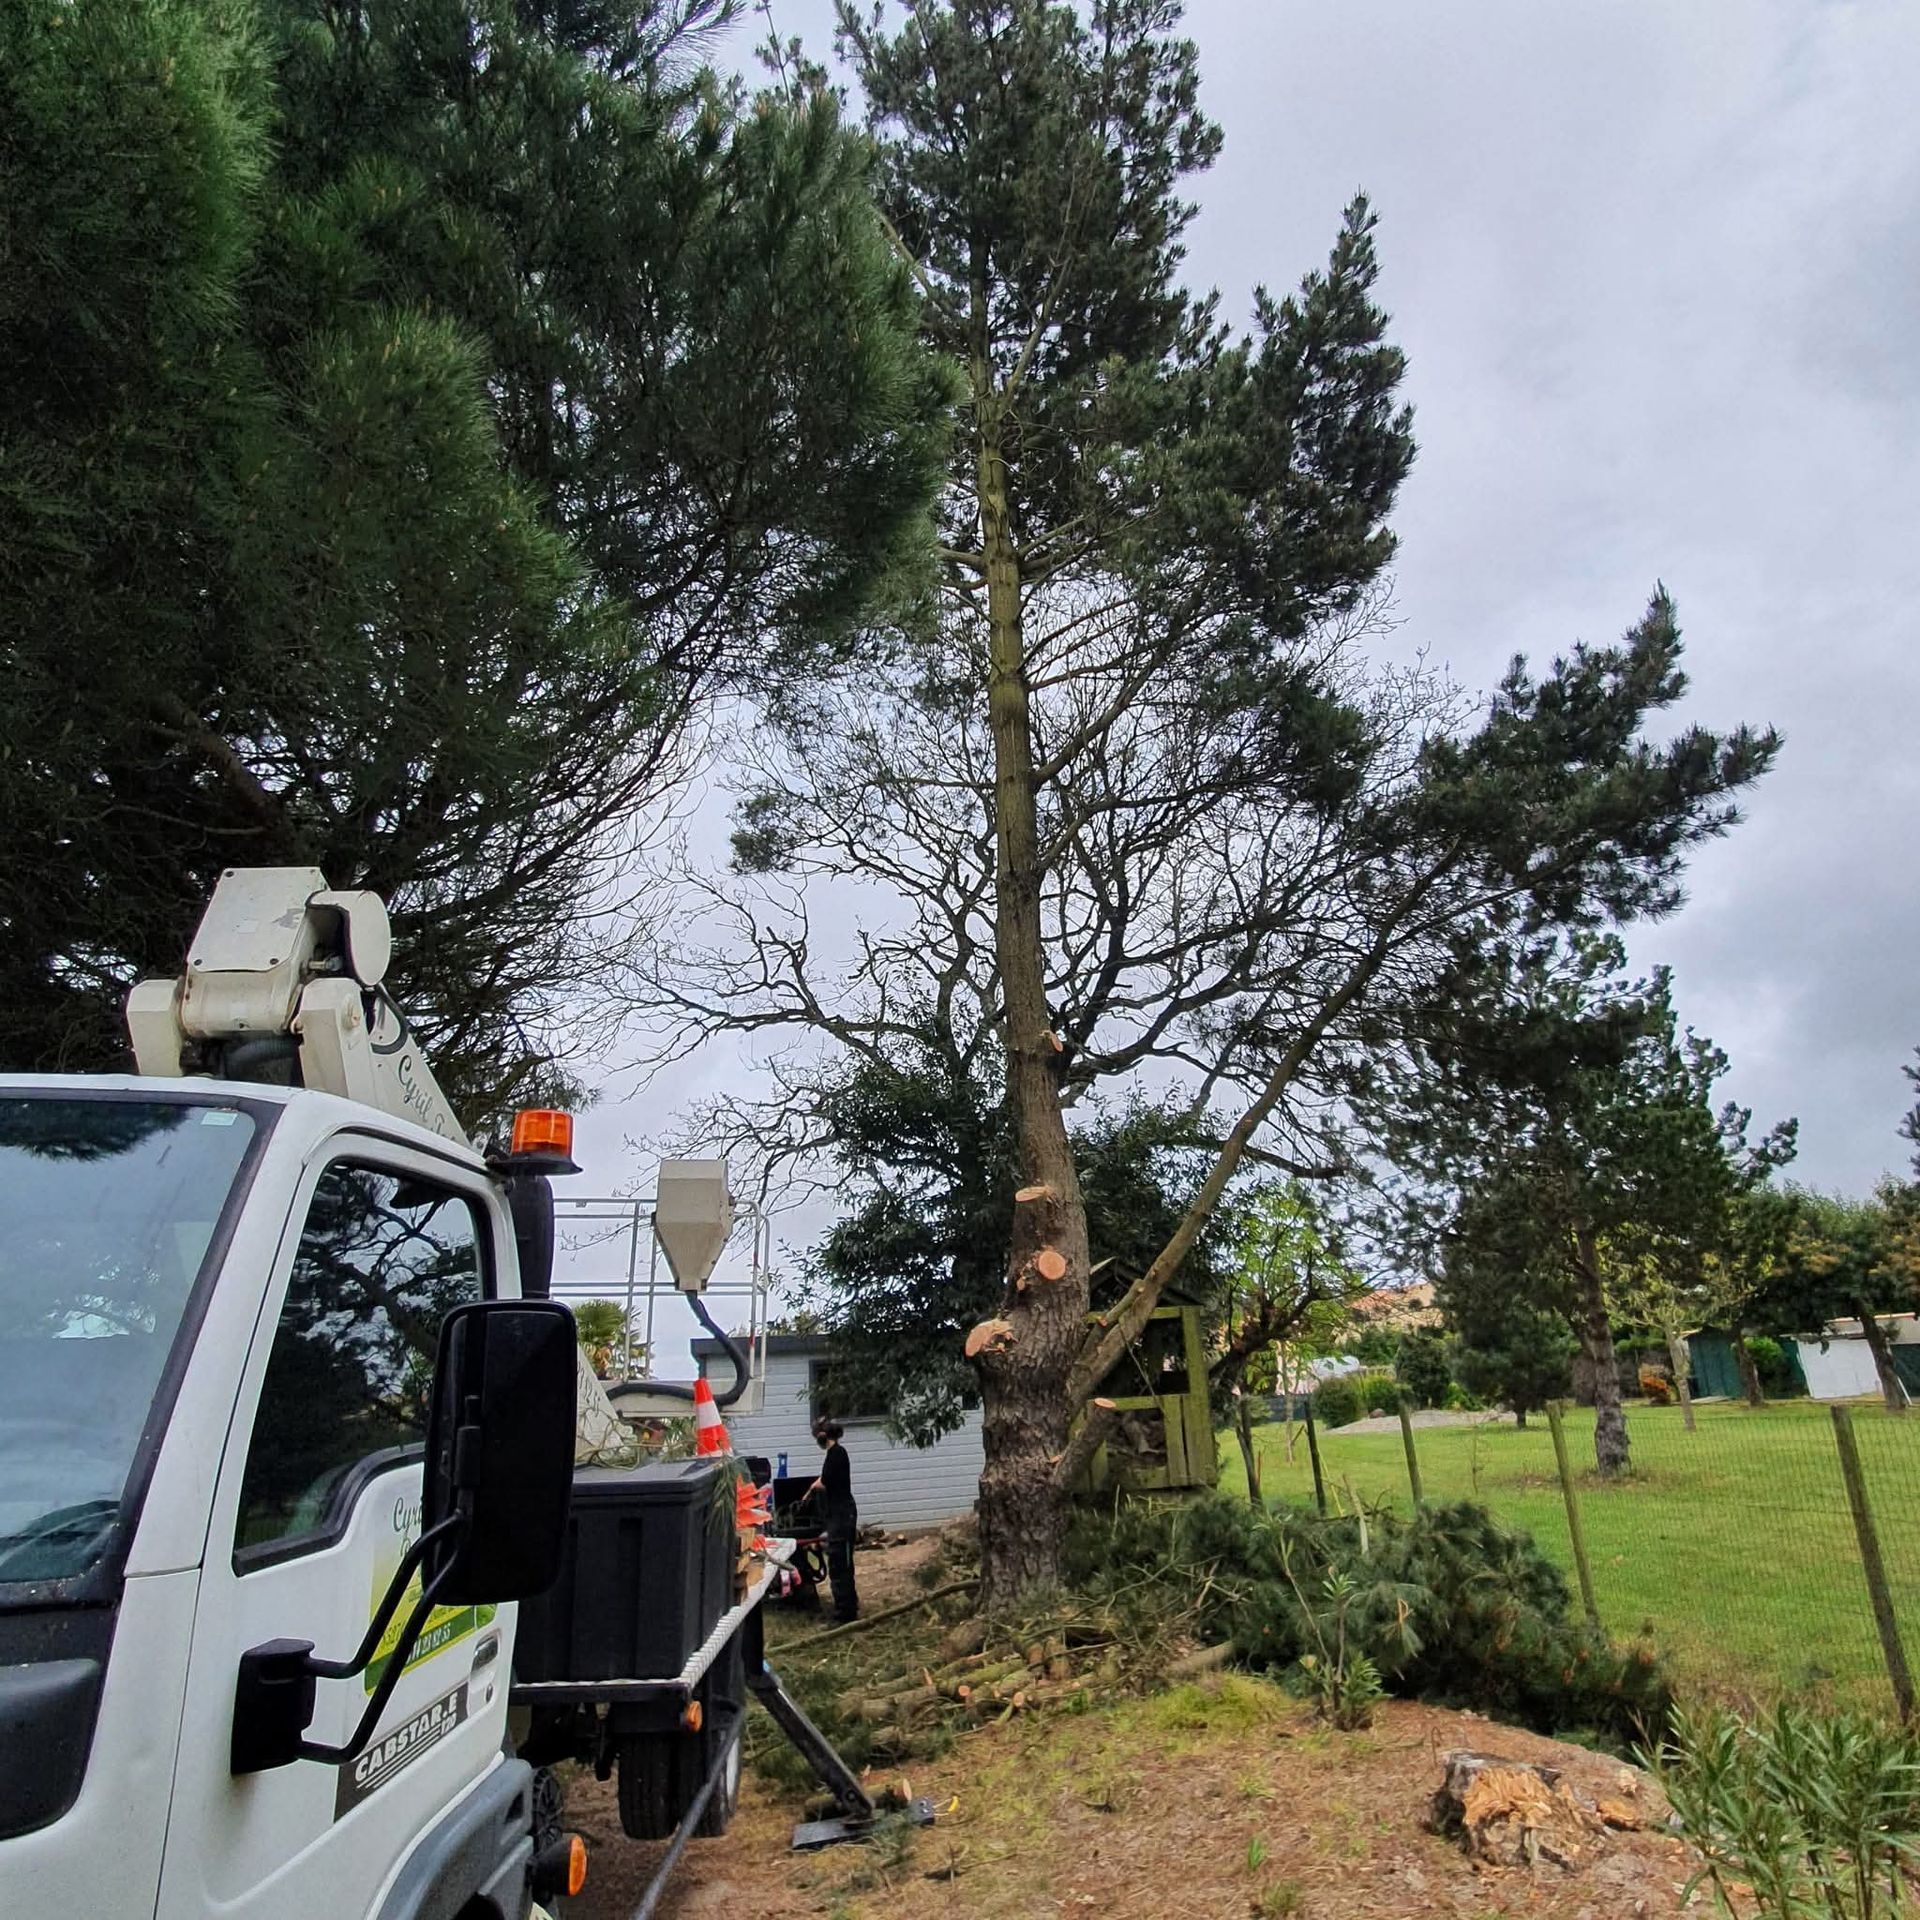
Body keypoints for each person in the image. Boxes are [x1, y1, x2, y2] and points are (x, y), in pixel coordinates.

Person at [808, 1420, 858, 1622]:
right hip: (837, 1514)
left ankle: (845, 1613)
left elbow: (824, 1481)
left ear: (822, 1436)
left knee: (840, 1564)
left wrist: (811, 1488)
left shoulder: (838, 1453)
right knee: (837, 1563)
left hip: (843, 1515)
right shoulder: (833, 1454)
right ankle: (845, 1608)